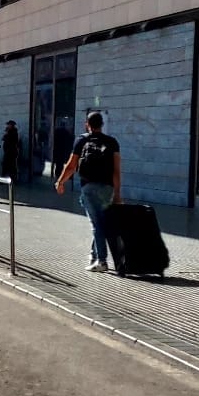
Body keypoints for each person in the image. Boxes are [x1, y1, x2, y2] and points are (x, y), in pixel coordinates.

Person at [55, 111, 122, 274]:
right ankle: (94, 256)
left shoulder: (82, 140)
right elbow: (116, 170)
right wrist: (118, 194)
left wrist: (60, 181)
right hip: (107, 188)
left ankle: (102, 261)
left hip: (89, 188)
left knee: (97, 224)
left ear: (87, 124)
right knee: (101, 222)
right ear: (102, 124)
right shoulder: (112, 142)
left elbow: (71, 165)